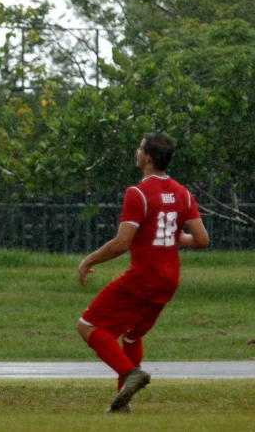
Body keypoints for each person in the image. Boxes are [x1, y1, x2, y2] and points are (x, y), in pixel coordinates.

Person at [77, 132, 209, 413]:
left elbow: (122, 243)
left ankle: (129, 374)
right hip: (168, 281)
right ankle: (121, 405)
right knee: (133, 336)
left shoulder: (137, 193)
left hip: (143, 278)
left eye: (139, 148)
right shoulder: (184, 193)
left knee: (87, 326)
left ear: (148, 157)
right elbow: (201, 240)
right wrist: (176, 237)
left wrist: (89, 260)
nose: (136, 152)